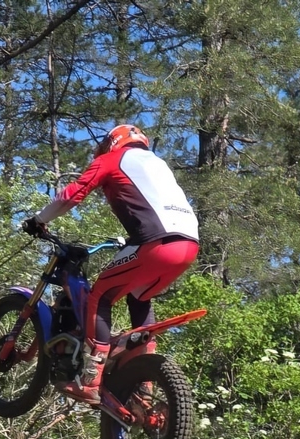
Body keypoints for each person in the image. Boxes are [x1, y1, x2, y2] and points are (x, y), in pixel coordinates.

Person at [22, 124, 199, 405]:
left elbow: (72, 194)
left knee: (100, 296)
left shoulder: (113, 159)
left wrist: (39, 220)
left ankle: (91, 378)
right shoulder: (158, 165)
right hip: (188, 245)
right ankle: (145, 384)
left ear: (112, 142)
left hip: (156, 243)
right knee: (140, 296)